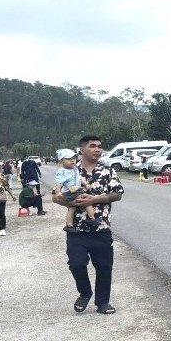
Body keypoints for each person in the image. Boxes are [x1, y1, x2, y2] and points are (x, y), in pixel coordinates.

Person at [52, 135, 125, 315]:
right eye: (92, 146)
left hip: (101, 227)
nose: (97, 149)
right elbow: (55, 197)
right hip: (76, 229)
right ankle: (85, 293)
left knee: (104, 267)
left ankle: (103, 302)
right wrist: (71, 202)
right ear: (82, 150)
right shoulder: (68, 169)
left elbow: (117, 194)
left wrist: (94, 199)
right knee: (76, 264)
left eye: (99, 146)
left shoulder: (107, 170)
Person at [53, 149, 98, 232]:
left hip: (76, 190)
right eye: (68, 159)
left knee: (72, 208)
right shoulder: (62, 171)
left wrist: (85, 183)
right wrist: (58, 192)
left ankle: (69, 225)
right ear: (61, 161)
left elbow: (79, 177)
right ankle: (92, 218)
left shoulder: (75, 168)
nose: (72, 160)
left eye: (73, 158)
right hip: (69, 192)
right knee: (86, 201)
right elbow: (59, 182)